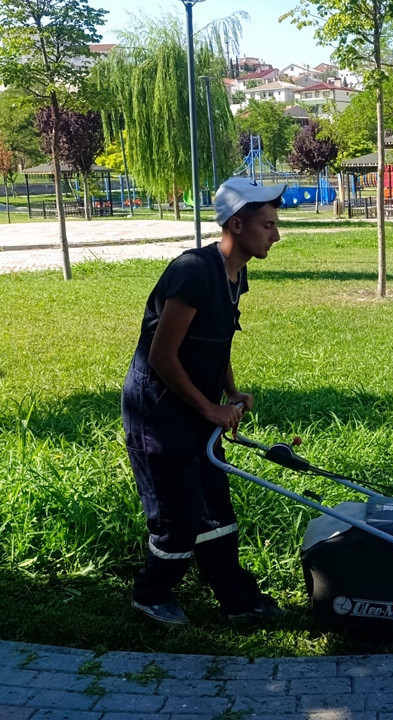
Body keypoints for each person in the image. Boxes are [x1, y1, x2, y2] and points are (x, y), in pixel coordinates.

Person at [122, 178, 286, 625]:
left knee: (216, 505)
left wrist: (230, 391)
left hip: (195, 406)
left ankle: (235, 598)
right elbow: (161, 355)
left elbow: (218, 341)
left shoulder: (235, 273)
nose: (276, 234)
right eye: (268, 225)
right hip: (158, 411)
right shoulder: (194, 271)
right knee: (180, 513)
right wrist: (211, 407)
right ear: (237, 223)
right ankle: (151, 593)